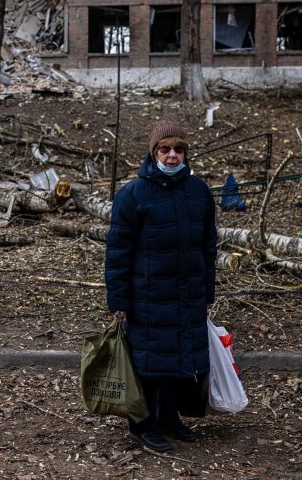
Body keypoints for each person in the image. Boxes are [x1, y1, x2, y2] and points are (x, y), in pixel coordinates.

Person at [105, 120, 217, 452]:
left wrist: (206, 291)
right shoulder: (133, 194)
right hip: (148, 297)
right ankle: (141, 426)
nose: (172, 156)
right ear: (154, 152)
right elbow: (118, 251)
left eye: (178, 149)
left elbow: (208, 247)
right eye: (165, 149)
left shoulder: (199, 192)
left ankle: (169, 419)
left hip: (187, 295)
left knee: (179, 362)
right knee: (147, 366)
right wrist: (119, 300)